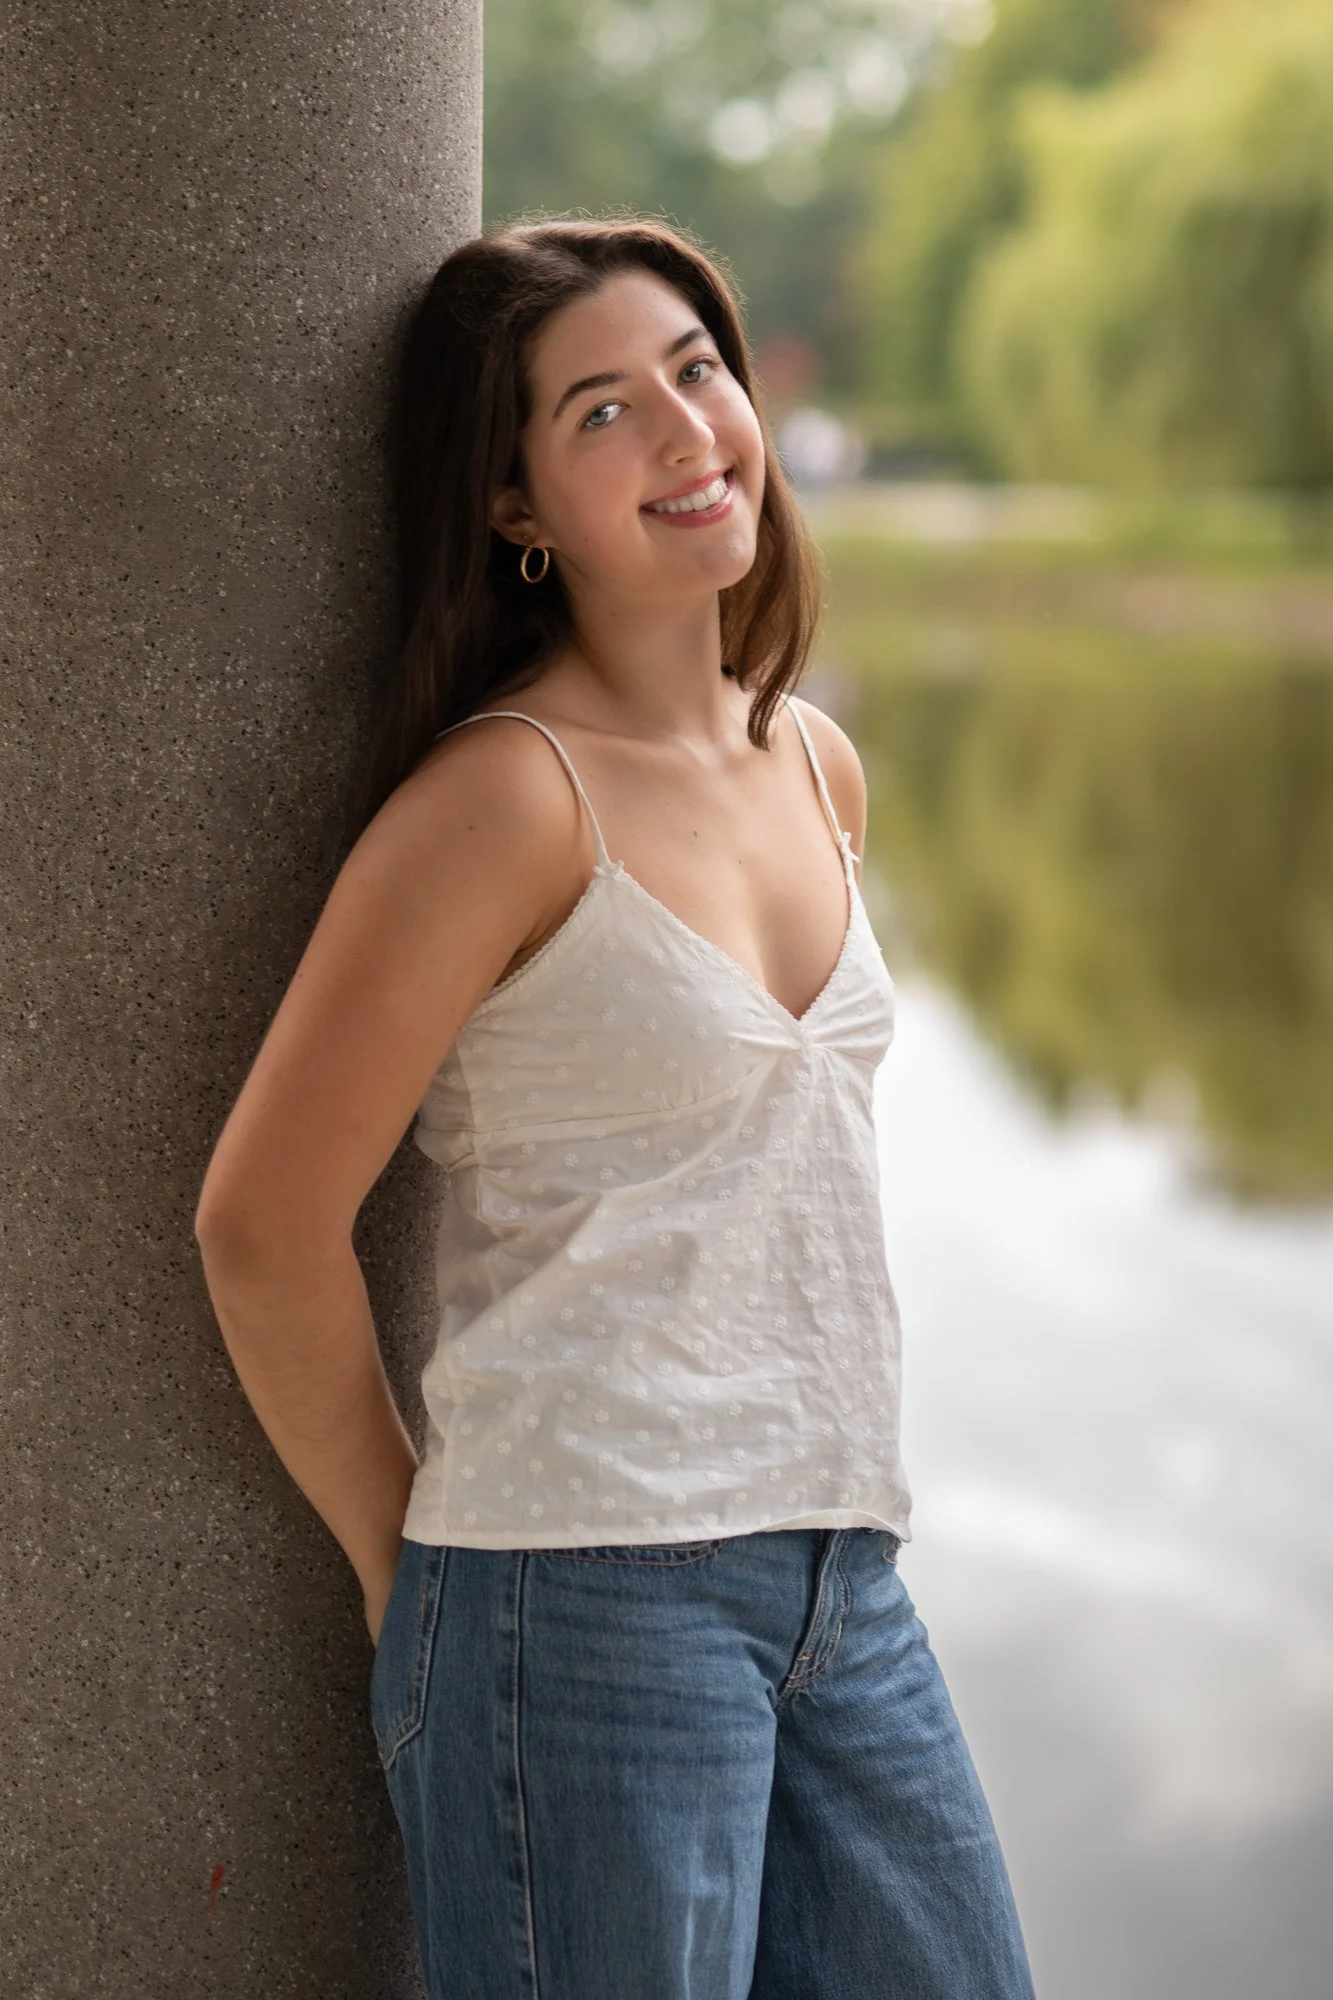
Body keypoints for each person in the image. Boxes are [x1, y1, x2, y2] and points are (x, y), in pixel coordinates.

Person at [194, 215, 1036, 2000]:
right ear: (516, 507)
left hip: (842, 1580)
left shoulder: (815, 761)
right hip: (577, 1598)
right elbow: (263, 1225)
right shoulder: (503, 802)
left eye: (697, 370)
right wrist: (405, 1565)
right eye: (600, 413)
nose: (685, 432)